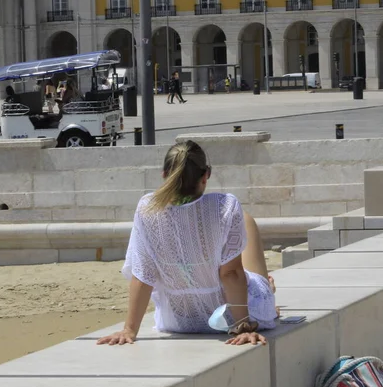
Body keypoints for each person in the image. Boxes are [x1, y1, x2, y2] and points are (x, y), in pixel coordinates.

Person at [97, 140, 277, 346]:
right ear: (205, 176)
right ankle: (267, 289)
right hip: (230, 319)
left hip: (177, 322)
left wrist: (129, 329)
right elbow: (231, 274)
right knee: (246, 221)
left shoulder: (147, 208)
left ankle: (265, 287)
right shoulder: (225, 206)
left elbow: (143, 275)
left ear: (165, 176)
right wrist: (243, 325)